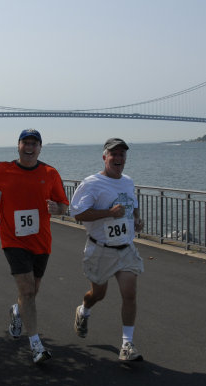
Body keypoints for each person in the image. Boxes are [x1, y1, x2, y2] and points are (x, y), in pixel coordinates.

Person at [0, 129, 69, 364]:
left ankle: (17, 312)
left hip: (41, 241)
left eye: (34, 143)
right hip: (13, 239)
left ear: (40, 147)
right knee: (28, 291)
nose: (29, 147)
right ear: (18, 145)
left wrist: (57, 209)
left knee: (32, 292)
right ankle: (36, 345)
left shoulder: (50, 173)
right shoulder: (3, 169)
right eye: (25, 142)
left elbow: (64, 206)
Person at [69, 138, 144, 362]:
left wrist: (137, 221)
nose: (118, 159)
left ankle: (126, 345)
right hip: (100, 249)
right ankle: (83, 310)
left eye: (122, 155)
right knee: (97, 295)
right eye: (114, 154)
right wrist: (109, 213)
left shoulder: (128, 182)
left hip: (125, 248)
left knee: (129, 294)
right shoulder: (92, 183)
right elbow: (77, 213)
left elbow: (133, 206)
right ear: (104, 158)